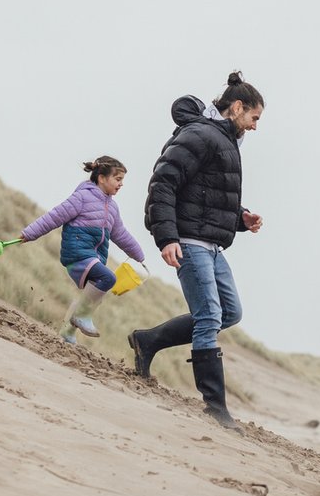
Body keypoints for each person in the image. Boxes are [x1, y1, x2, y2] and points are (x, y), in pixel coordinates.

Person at [132, 71, 265, 429]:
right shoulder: (200, 135)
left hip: (212, 245)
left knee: (229, 312)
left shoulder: (223, 141)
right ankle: (216, 407)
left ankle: (148, 340)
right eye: (254, 118)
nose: (254, 126)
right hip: (189, 241)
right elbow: (164, 182)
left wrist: (241, 217)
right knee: (208, 316)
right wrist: (167, 237)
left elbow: (204, 194)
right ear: (237, 108)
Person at [18, 156, 146, 343]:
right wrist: (30, 233)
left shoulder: (112, 208)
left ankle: (67, 332)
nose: (121, 184)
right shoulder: (82, 197)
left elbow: (120, 234)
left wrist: (139, 256)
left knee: (92, 296)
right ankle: (81, 318)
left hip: (94, 257)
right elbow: (55, 216)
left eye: (122, 181)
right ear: (102, 178)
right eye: (118, 179)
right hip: (77, 253)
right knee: (108, 278)